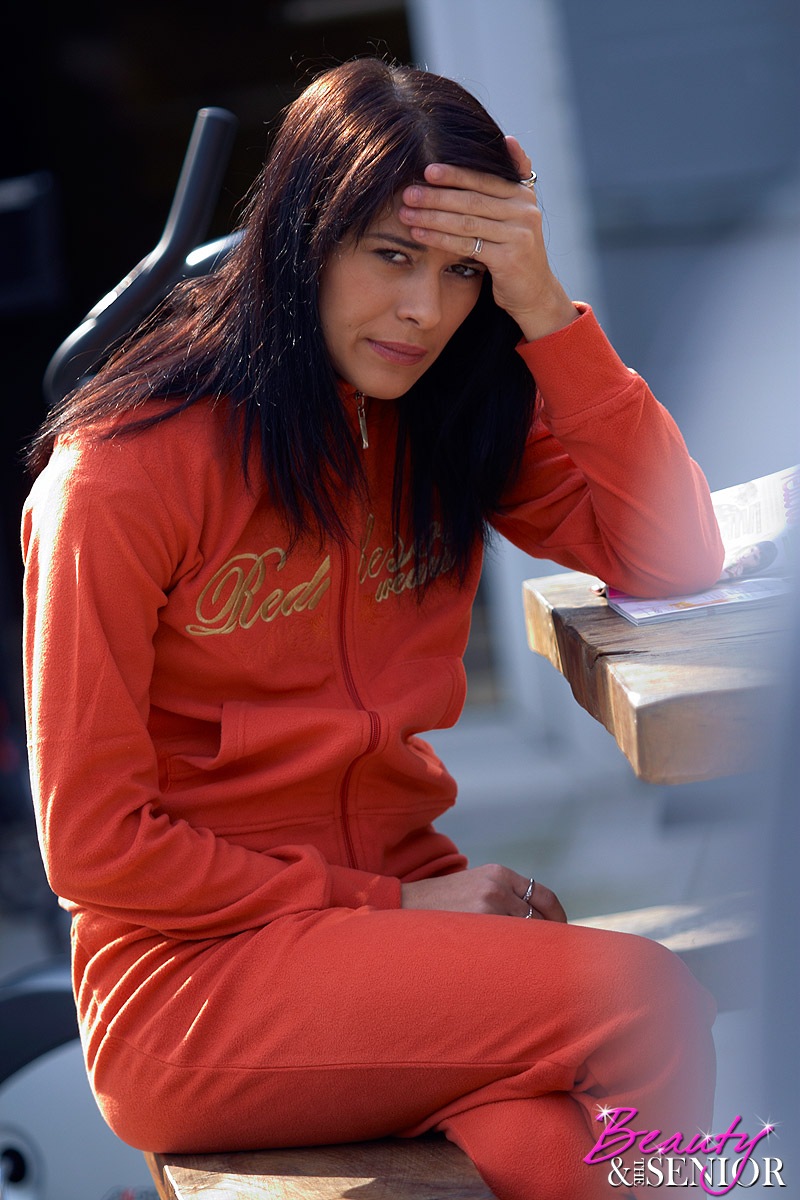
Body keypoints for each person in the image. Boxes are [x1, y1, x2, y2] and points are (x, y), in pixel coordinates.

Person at [22, 58, 724, 1200]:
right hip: (190, 985)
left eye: (463, 270)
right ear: (302, 238)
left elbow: (673, 553)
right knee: (641, 1001)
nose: (424, 311)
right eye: (391, 256)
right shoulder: (120, 475)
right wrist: (394, 905)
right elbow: (96, 845)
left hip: (396, 940)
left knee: (558, 1143)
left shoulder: (440, 421)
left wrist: (545, 307)